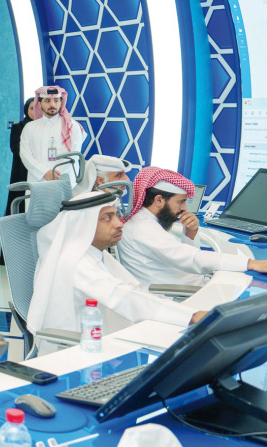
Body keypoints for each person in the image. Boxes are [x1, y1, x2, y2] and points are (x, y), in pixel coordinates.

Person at [26, 191, 207, 339]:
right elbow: (123, 297)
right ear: (84, 225)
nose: (119, 224)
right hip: (77, 351)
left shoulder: (96, 253)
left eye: (117, 216)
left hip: (104, 335)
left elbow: (134, 289)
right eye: (107, 218)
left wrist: (180, 311)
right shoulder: (75, 263)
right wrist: (190, 316)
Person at [119, 168, 265, 285]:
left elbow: (184, 256)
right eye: (180, 202)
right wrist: (251, 263)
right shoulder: (144, 228)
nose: (184, 208)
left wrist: (190, 232)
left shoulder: (146, 221)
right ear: (159, 200)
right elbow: (193, 259)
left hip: (189, 284)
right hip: (178, 295)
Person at [19, 85, 87, 187]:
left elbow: (74, 155)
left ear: (61, 102)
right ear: (40, 103)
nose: (52, 104)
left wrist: (55, 174)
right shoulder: (29, 128)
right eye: (47, 101)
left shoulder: (72, 126)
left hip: (64, 181)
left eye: (56, 100)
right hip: (38, 182)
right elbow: (25, 155)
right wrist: (44, 172)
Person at [2, 97, 37, 218]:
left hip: (38, 169)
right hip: (21, 169)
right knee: (19, 198)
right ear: (26, 109)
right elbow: (15, 148)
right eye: (32, 108)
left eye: (37, 108)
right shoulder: (18, 127)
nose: (34, 111)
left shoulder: (42, 128)